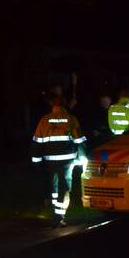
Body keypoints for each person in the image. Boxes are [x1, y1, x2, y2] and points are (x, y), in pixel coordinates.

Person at [31, 95, 87, 226]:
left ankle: (55, 213)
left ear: (53, 105)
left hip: (50, 161)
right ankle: (59, 216)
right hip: (67, 161)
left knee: (54, 186)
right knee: (64, 187)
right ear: (65, 105)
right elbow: (79, 140)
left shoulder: (44, 120)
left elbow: (37, 142)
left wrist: (36, 160)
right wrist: (83, 157)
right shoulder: (70, 119)